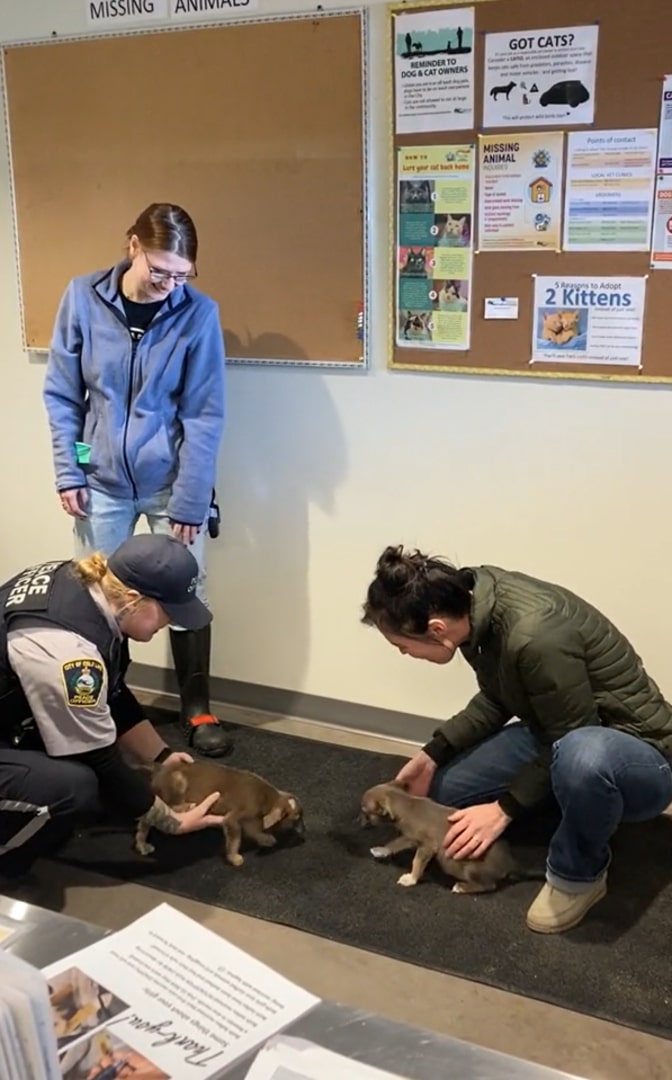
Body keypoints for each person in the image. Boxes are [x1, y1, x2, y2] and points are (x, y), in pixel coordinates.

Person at [361, 545, 672, 934]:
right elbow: (497, 698)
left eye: (402, 645)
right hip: (557, 729)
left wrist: (504, 808)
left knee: (581, 757)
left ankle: (578, 873)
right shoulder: (472, 609)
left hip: (635, 751)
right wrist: (434, 752)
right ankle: (576, 808)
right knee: (445, 792)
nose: (405, 654)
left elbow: (573, 734)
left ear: (436, 628)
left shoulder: (534, 634)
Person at [42, 202, 230, 757]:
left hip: (173, 483)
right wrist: (68, 469)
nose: (170, 284)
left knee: (186, 590)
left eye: (181, 274)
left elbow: (204, 412)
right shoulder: (82, 297)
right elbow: (63, 394)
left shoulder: (198, 314)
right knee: (99, 597)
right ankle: (105, 707)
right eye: (160, 270)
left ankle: (198, 709)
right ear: (133, 247)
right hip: (98, 482)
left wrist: (192, 501)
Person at [0, 533, 226, 889]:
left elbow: (114, 694)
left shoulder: (89, 589)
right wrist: (172, 822)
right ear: (135, 601)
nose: (169, 623)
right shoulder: (68, 653)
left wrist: (163, 756)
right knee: (74, 788)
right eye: (168, 612)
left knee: (104, 776)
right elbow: (98, 757)